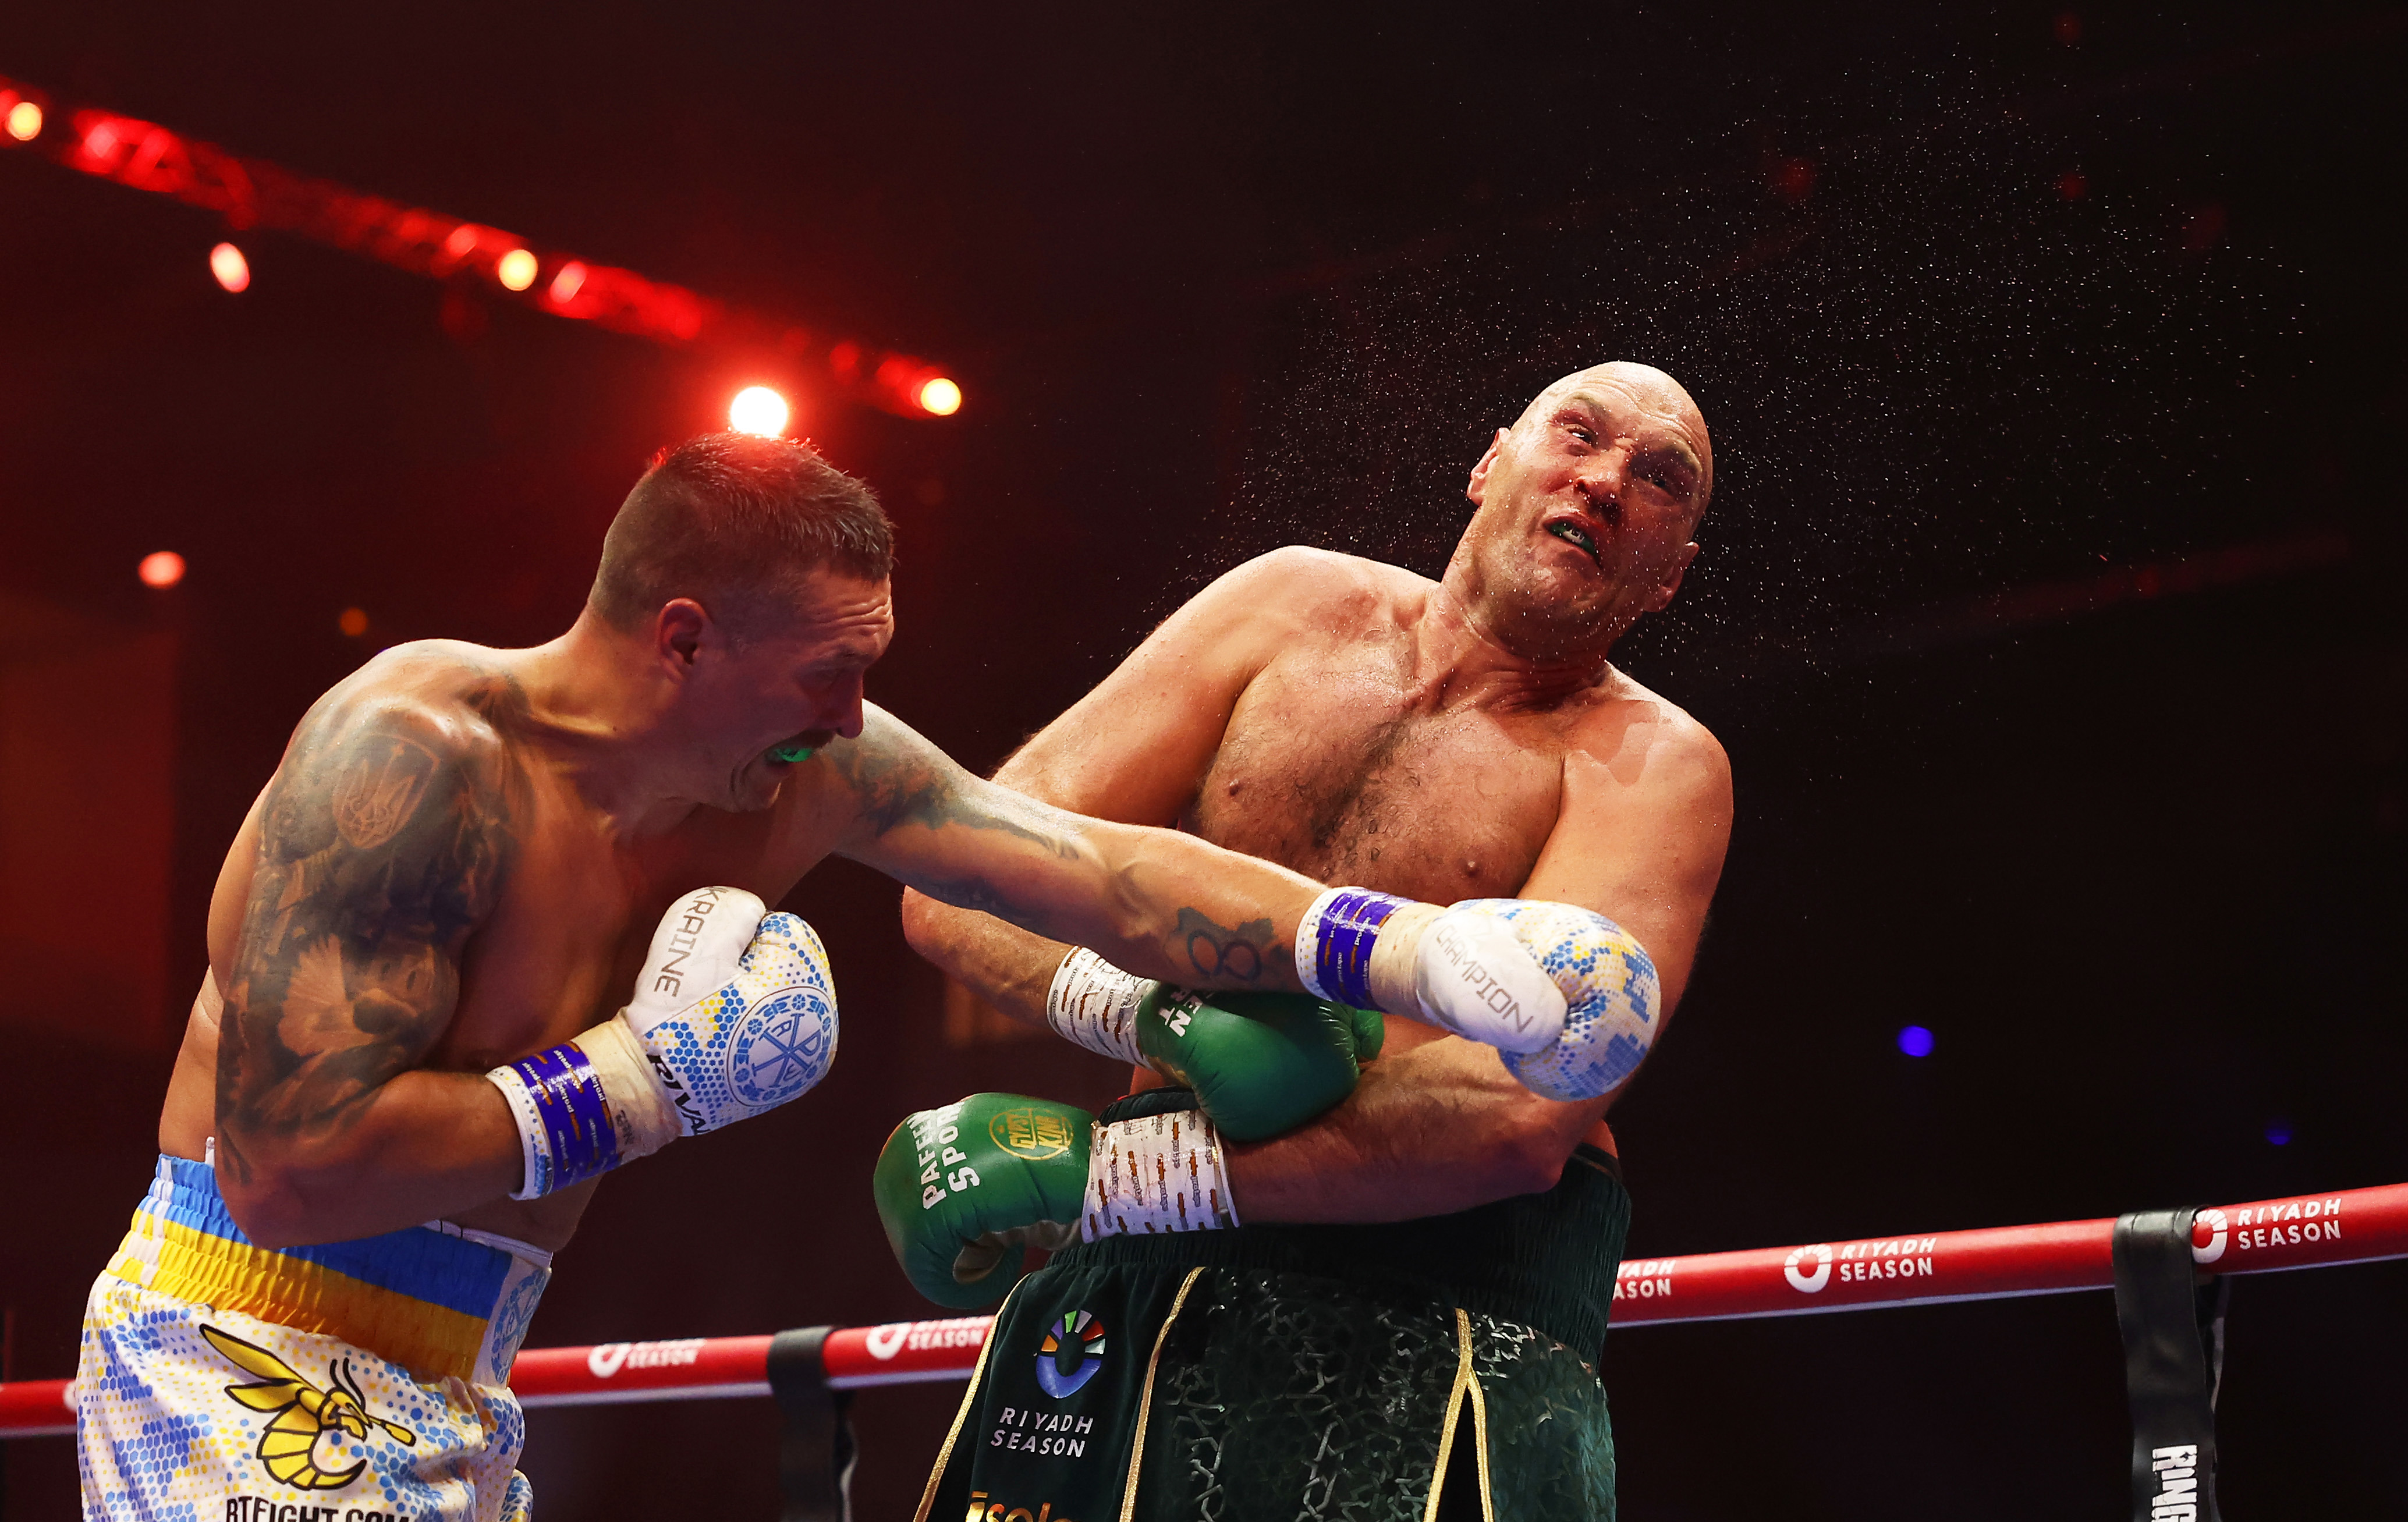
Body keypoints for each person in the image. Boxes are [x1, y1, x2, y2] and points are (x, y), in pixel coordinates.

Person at [75, 431, 1623, 1521]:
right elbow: (282, 1175)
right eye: (828, 671)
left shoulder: (811, 769)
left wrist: (1402, 947)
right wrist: (644, 1079)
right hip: (247, 1334)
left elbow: (1093, 872)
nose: (857, 712)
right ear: (682, 639)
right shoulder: (418, 765)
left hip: (470, 1363)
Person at [886, 363, 1732, 1521]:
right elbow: (966, 868)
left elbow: (1515, 1117)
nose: (1602, 481)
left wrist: (1108, 1178)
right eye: (1577, 436)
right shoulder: (1284, 607)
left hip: (1438, 1300)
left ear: (1669, 574)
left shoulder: (1651, 764)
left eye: (1656, 480)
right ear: (1491, 463)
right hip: (1131, 1278)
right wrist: (1154, 1014)